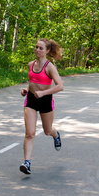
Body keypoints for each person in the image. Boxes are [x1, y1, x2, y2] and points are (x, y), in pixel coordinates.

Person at [20, 38, 64, 174]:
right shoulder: (30, 64)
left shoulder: (50, 67)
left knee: (47, 131)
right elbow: (33, 81)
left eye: (41, 48)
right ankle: (27, 163)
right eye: (36, 47)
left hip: (45, 100)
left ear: (47, 51)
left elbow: (60, 86)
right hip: (31, 100)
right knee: (30, 133)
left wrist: (43, 93)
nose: (37, 50)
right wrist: (27, 90)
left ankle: (56, 135)